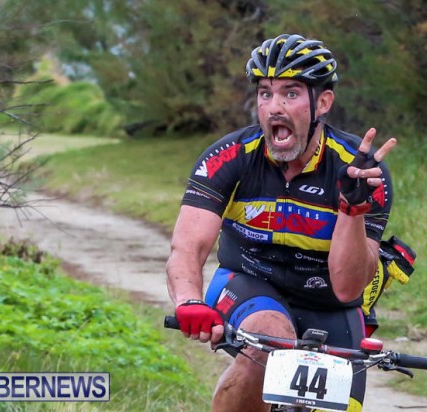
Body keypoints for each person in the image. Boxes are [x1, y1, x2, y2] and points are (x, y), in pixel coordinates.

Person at [166, 33, 397, 412]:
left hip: (329, 302)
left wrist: (352, 209)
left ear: (323, 103)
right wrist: (189, 300)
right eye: (265, 93)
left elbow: (347, 287)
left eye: (290, 94)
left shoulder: (361, 171)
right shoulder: (231, 156)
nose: (274, 107)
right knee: (272, 340)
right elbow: (188, 246)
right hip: (248, 282)